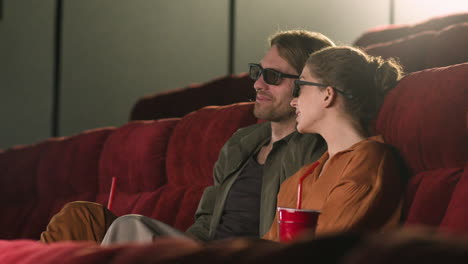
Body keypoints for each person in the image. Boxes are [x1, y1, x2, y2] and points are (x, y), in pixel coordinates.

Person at [40, 30, 335, 244]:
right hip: (203, 252)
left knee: (131, 225)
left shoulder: (314, 146)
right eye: (258, 72)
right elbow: (206, 221)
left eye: (273, 77)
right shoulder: (241, 142)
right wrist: (179, 251)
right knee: (82, 216)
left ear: (306, 85)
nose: (258, 84)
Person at [263, 46, 406, 241]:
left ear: (327, 95)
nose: (293, 102)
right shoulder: (298, 180)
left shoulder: (369, 161)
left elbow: (323, 247)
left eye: (300, 87)